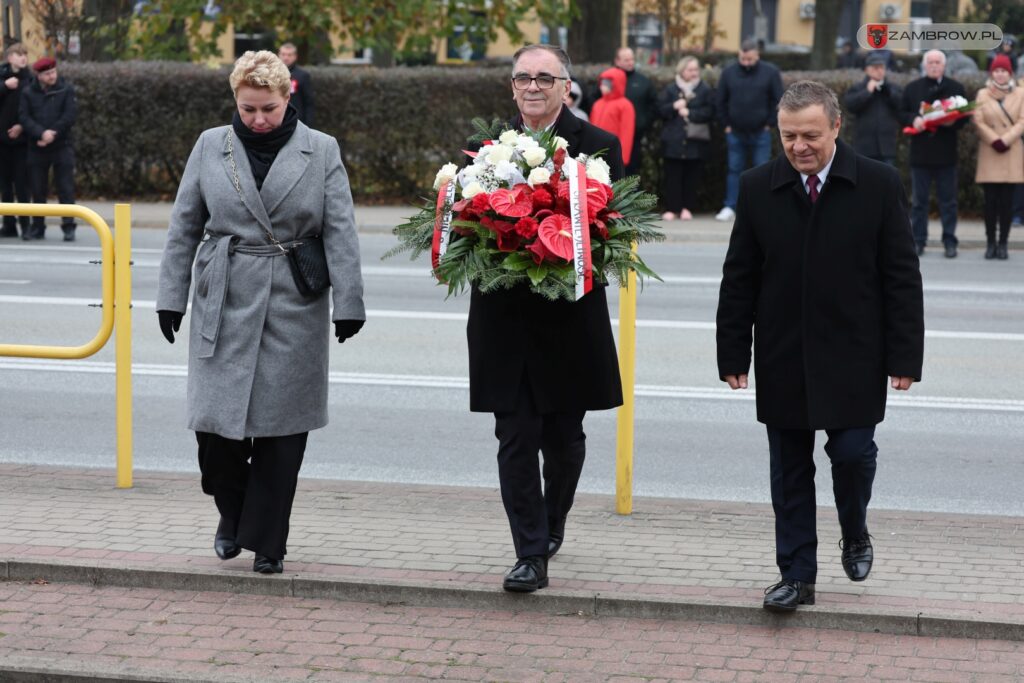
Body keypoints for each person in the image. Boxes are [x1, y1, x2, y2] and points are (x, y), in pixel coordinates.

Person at [716, 80, 924, 613]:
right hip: (784, 352)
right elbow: (739, 278)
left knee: (851, 455)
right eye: (788, 136)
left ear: (836, 126)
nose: (799, 146)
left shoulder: (877, 184)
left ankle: (854, 530)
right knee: (789, 469)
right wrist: (733, 353)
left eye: (810, 134)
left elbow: (901, 276)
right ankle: (796, 576)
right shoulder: (759, 186)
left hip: (856, 351)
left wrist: (905, 356)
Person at [156, 51, 365, 575]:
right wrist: (170, 296)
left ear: (288, 97)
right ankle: (233, 514)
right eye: (248, 109)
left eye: (268, 108)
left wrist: (350, 302)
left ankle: (268, 541)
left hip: (294, 299)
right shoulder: (211, 145)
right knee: (213, 431)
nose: (258, 120)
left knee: (281, 432)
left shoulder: (321, 150)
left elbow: (340, 228)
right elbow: (184, 224)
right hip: (223, 296)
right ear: (235, 100)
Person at [472, 44, 623, 593]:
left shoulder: (599, 146)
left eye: (544, 78)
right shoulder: (484, 148)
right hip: (503, 315)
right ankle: (529, 553)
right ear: (512, 87)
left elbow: (613, 227)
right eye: (522, 78)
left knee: (563, 437)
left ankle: (552, 519)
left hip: (569, 315)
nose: (532, 87)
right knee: (515, 433)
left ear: (566, 85)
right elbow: (462, 223)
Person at [900, 50, 968, 258]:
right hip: (920, 154)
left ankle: (949, 241)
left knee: (948, 201)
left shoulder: (956, 88)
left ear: (944, 65)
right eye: (930, 62)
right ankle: (918, 240)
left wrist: (953, 121)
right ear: (924, 65)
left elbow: (964, 117)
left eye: (938, 62)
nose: (934, 65)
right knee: (919, 202)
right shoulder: (912, 88)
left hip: (946, 154)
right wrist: (914, 119)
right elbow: (901, 113)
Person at [714, 39, 784, 222]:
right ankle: (730, 206)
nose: (745, 63)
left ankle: (762, 206)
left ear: (757, 55)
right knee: (734, 169)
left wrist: (769, 123)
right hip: (735, 131)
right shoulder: (729, 72)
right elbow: (720, 100)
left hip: (761, 131)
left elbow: (778, 100)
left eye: (749, 59)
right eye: (742, 59)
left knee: (762, 169)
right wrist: (726, 124)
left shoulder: (770, 72)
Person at [18, 56, 76, 241]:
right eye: (47, 73)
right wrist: (41, 134)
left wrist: (53, 133)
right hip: (37, 147)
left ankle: (68, 226)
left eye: (53, 72)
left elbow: (69, 116)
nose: (52, 76)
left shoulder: (65, 89)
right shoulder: (28, 92)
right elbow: (24, 117)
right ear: (39, 75)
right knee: (37, 189)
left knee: (65, 188)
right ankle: (38, 227)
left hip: (61, 145)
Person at [972, 54, 1024, 261]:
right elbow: (978, 120)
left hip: (1011, 151)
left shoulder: (1020, 93)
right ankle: (990, 243)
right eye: (997, 71)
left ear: (1009, 73)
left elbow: (1022, 120)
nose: (1000, 74)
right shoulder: (982, 94)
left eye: (1004, 71)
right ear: (992, 73)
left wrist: (1006, 139)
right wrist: (994, 140)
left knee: (1007, 204)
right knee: (990, 204)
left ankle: (1003, 244)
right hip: (990, 151)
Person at [657, 55, 714, 221]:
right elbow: (659, 110)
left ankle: (688, 207)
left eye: (696, 69)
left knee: (692, 177)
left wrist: (691, 113)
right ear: (682, 71)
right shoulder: (670, 89)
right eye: (690, 69)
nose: (694, 73)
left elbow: (710, 112)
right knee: (672, 176)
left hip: (695, 141)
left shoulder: (704, 90)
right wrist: (674, 106)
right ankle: (672, 208)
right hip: (673, 140)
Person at [843, 51, 902, 166]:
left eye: (882, 67)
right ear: (867, 70)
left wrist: (887, 92)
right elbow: (850, 106)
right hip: (864, 147)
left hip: (887, 147)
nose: (879, 71)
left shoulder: (892, 88)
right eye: (875, 67)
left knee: (886, 182)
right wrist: (867, 92)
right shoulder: (858, 88)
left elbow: (901, 104)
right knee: (864, 182)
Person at [0, 42, 31, 238]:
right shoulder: (2, 77)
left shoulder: (30, 80)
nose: (23, 58)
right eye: (19, 54)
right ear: (10, 58)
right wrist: (4, 86)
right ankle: (9, 225)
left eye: (25, 54)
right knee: (5, 186)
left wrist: (21, 127)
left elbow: (33, 108)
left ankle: (26, 226)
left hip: (22, 142)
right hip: (1, 141)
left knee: (22, 185)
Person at [612, 47, 657, 177]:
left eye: (632, 59)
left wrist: (643, 123)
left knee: (631, 176)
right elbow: (596, 102)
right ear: (617, 61)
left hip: (634, 138)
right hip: (610, 138)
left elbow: (654, 105)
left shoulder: (643, 82)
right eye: (626, 60)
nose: (630, 62)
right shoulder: (608, 79)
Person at [590, 67, 635, 167]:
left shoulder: (625, 106)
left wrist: (622, 158)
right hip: (595, 155)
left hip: (613, 155)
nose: (602, 86)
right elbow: (591, 129)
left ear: (616, 84)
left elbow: (626, 133)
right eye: (602, 83)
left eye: (607, 83)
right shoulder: (597, 104)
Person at [278, 42, 314, 126]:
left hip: (297, 121)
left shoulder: (302, 75)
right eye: (283, 54)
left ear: (295, 56)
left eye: (289, 55)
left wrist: (308, 125)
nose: (286, 58)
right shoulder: (272, 74)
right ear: (279, 55)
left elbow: (309, 102)